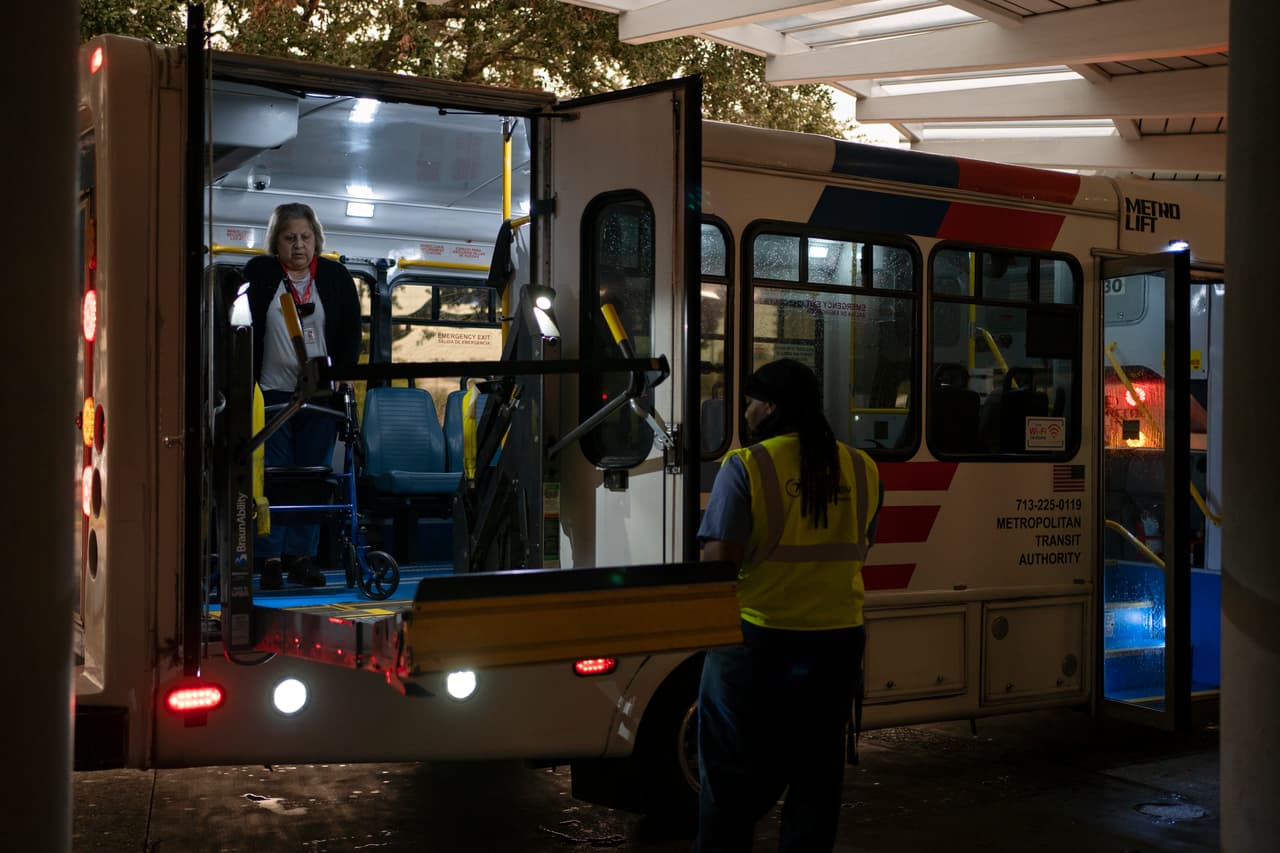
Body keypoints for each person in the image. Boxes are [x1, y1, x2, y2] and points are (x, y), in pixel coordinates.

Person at [694, 358, 882, 853]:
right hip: (839, 642)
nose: (748, 412)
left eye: (752, 402)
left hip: (758, 639)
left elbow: (720, 562)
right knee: (817, 781)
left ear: (771, 407)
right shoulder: (862, 467)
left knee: (731, 782)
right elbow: (863, 543)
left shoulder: (748, 466)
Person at [245, 203, 361, 589]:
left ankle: (302, 557)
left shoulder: (335, 277)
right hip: (271, 390)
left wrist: (344, 377)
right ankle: (271, 558)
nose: (298, 245)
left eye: (305, 238)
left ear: (317, 240)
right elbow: (242, 331)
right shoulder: (260, 274)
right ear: (276, 241)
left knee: (313, 476)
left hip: (320, 394)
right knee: (274, 478)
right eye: (289, 237)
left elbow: (349, 333)